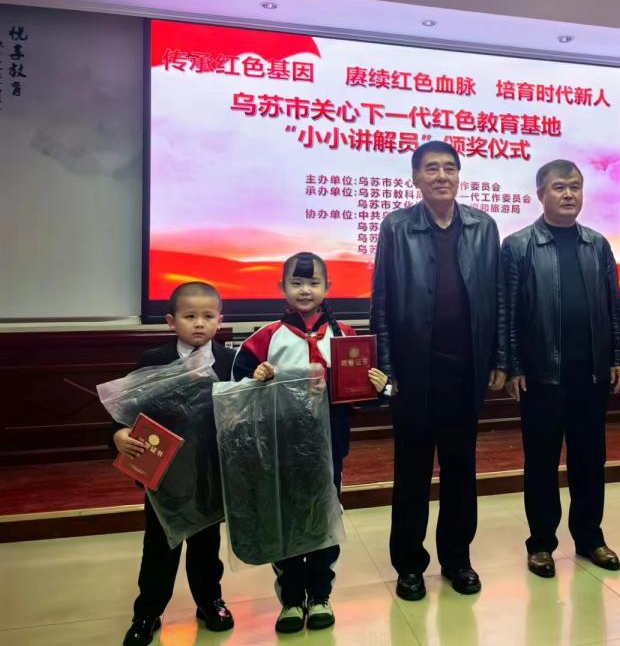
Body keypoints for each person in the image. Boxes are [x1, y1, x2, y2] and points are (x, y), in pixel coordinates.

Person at [370, 141, 508, 601]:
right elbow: (381, 302)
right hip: (413, 373)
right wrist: (387, 367)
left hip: (465, 370)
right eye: (431, 169)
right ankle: (409, 565)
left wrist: (499, 359)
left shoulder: (483, 226)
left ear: (459, 176)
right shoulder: (396, 226)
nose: (442, 176)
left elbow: (497, 299)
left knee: (460, 469)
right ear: (416, 178)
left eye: (450, 168)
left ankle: (457, 559)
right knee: (411, 472)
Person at [233, 252, 387, 633]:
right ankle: (290, 598)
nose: (305, 290)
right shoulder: (265, 338)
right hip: (281, 444)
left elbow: (363, 392)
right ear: (282, 288)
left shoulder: (345, 336)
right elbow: (239, 387)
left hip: (330, 441)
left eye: (314, 282)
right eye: (297, 283)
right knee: (284, 515)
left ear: (328, 288)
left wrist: (380, 387)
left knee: (324, 513)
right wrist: (257, 377)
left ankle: (320, 594)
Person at [502, 159, 620, 579]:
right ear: (541, 193)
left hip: (591, 374)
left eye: (575, 186)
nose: (569, 194)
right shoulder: (519, 246)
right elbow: (508, 312)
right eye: (559, 187)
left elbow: (613, 306)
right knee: (541, 464)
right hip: (541, 376)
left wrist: (618, 356)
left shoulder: (597, 244)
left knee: (590, 461)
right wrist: (513, 364)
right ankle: (541, 544)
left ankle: (590, 538)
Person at [114, 281, 234, 646]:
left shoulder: (231, 362)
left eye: (208, 316)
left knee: (206, 545)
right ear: (171, 321)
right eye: (189, 316)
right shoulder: (153, 361)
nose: (199, 323)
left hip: (210, 474)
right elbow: (126, 410)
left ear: (220, 320)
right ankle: (148, 611)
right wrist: (118, 434)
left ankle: (209, 601)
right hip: (164, 476)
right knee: (159, 547)